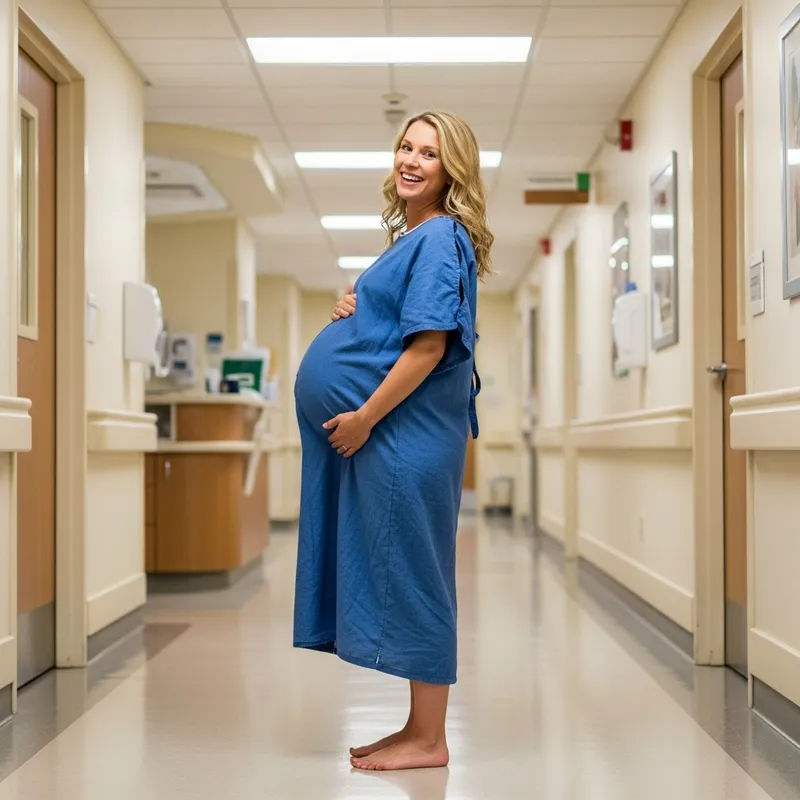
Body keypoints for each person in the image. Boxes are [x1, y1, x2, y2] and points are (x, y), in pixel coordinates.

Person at [293, 110, 493, 772]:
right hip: (397, 435)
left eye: (429, 153)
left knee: (418, 576)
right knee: (408, 568)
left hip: (405, 436)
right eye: (405, 146)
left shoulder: (440, 238)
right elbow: (398, 326)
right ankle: (416, 728)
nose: (411, 159)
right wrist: (358, 303)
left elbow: (430, 346)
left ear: (452, 169)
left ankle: (430, 740)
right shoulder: (416, 238)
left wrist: (364, 417)